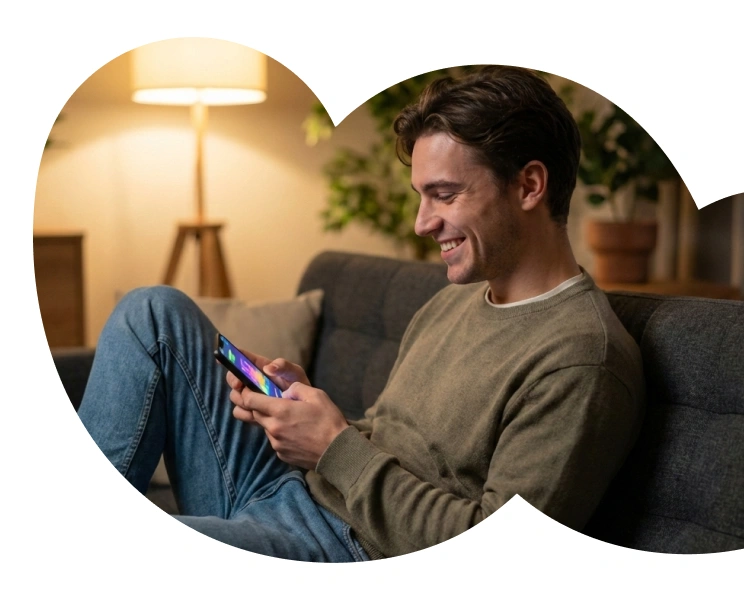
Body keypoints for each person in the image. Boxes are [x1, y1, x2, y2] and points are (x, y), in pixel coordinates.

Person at [76, 65, 645, 561]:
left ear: (529, 185)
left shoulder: (580, 360)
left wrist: (333, 447)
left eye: (445, 195)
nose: (422, 223)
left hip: (349, 550)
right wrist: (311, 415)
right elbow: (395, 441)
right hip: (295, 490)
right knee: (152, 312)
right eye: (421, 196)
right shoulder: (455, 300)